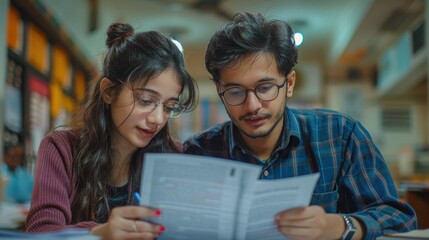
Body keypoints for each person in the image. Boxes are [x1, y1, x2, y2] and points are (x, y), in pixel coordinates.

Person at [184, 12, 417, 240]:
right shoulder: (199, 153)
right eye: (235, 92)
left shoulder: (341, 135)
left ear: (290, 84)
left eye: (265, 88)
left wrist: (339, 226)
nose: (252, 105)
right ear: (220, 92)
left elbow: (399, 218)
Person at [25, 22, 198, 240]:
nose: (158, 119)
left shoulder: (175, 157)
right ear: (108, 92)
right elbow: (40, 232)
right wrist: (99, 232)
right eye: (145, 101)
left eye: (169, 107)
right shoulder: (61, 148)